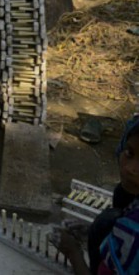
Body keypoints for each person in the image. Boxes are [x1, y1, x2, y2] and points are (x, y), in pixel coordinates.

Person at [55, 115, 139, 274]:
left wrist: (73, 253)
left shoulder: (134, 231)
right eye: (129, 153)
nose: (131, 169)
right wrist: (93, 231)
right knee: (108, 218)